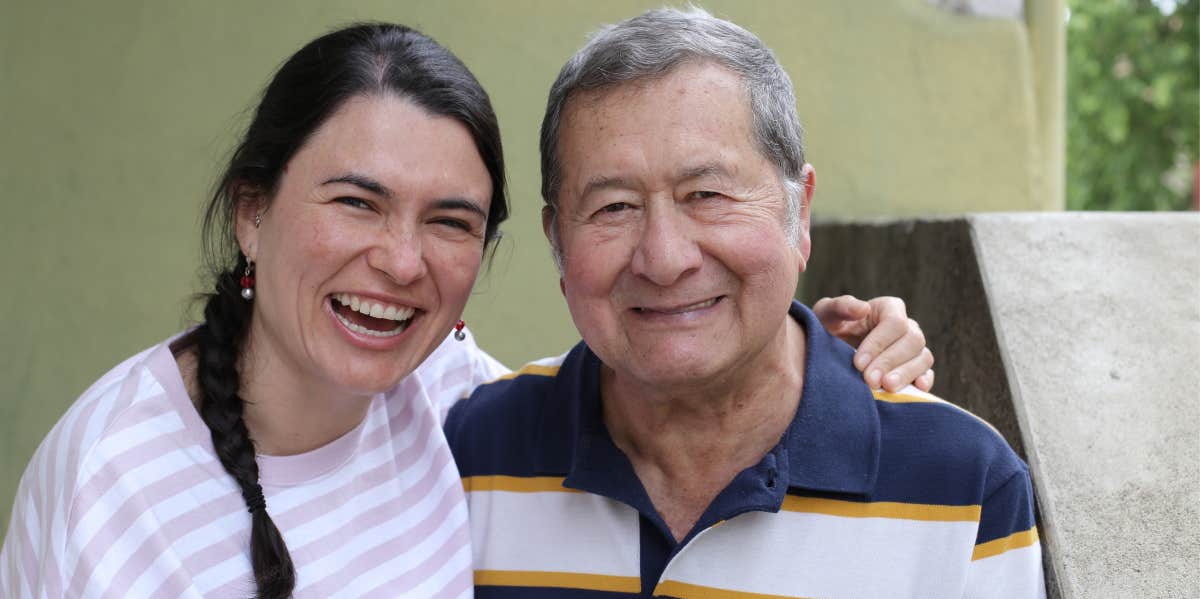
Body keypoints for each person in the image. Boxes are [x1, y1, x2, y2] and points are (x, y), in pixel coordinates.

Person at [0, 21, 934, 599]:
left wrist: (817, 348)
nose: (400, 261)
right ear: (253, 211)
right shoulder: (111, 487)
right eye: (356, 201)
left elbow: (657, 351)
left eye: (448, 221)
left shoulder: (450, 401)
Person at [446, 7, 1044, 598]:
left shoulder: (966, 487)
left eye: (706, 194)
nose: (664, 257)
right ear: (557, 240)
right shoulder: (473, 452)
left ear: (798, 213)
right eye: (615, 207)